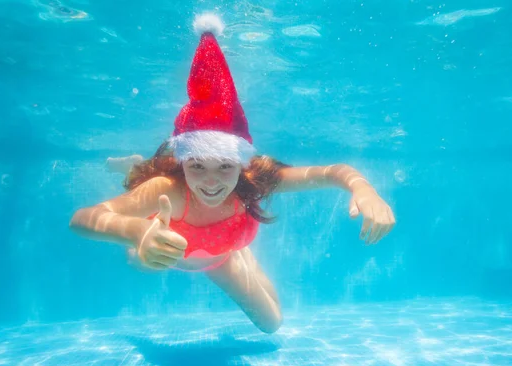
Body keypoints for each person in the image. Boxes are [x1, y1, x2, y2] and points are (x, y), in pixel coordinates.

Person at [70, 13, 396, 334]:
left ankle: (233, 244)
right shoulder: (165, 190)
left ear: (241, 164)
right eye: (197, 165)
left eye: (224, 166)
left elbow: (333, 172)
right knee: (142, 261)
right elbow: (85, 218)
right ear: (182, 162)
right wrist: (136, 231)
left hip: (221, 258)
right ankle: (135, 168)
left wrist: (364, 190)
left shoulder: (254, 181)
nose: (211, 182)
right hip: (163, 254)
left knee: (273, 325)